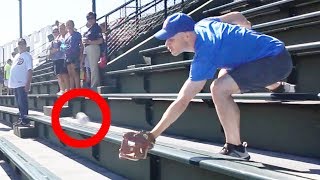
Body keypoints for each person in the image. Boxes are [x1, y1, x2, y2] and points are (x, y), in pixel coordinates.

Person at [119, 12, 295, 160]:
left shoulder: (206, 53)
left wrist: (152, 136)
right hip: (268, 54)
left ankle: (236, 148)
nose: (166, 44)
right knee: (224, 73)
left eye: (170, 39)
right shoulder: (203, 23)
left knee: (219, 88)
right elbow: (236, 16)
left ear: (187, 35)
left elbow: (183, 100)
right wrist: (246, 27)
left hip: (275, 60)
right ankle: (279, 87)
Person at [9, 38, 33, 126]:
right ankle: (21, 118)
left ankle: (25, 120)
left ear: (25, 45)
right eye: (19, 44)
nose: (21, 45)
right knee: (19, 103)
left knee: (23, 102)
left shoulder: (27, 56)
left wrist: (28, 83)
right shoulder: (17, 56)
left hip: (22, 83)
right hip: (15, 84)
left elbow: (30, 70)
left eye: (22, 44)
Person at [82, 12, 104, 91]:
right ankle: (92, 84)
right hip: (88, 48)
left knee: (93, 67)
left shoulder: (96, 27)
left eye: (92, 18)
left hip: (93, 47)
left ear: (95, 18)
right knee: (90, 68)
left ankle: (94, 85)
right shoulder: (90, 29)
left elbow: (100, 40)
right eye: (88, 18)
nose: (90, 20)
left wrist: (89, 42)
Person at [48, 27, 69, 95]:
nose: (55, 33)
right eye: (53, 32)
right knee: (59, 75)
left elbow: (64, 49)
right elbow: (49, 53)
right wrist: (51, 52)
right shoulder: (52, 42)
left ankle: (67, 89)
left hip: (62, 59)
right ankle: (62, 89)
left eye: (56, 31)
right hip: (55, 60)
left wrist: (56, 50)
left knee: (64, 74)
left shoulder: (62, 39)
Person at [65, 20, 82, 89]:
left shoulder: (77, 34)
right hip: (68, 57)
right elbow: (63, 48)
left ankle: (78, 89)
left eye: (70, 24)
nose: (68, 26)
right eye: (67, 25)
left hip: (75, 55)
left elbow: (81, 45)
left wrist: (81, 55)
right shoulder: (66, 37)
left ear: (73, 25)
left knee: (75, 73)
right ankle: (72, 90)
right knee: (70, 74)